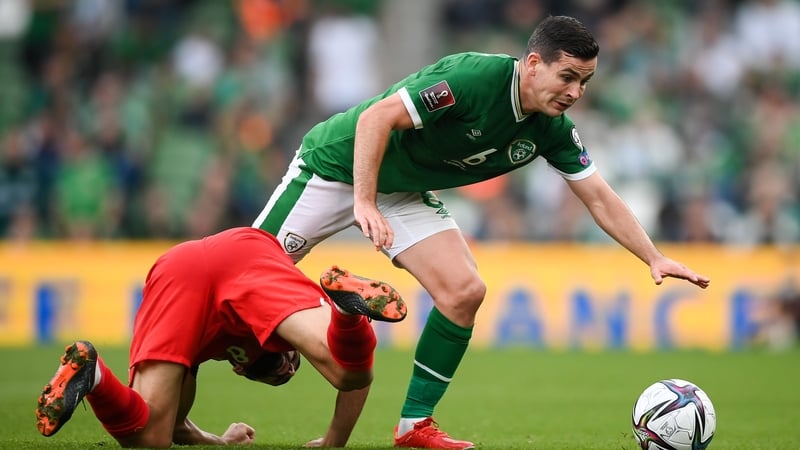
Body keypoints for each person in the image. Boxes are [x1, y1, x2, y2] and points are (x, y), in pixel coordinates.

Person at [252, 15, 711, 449]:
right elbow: (376, 119)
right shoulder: (472, 78)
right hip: (335, 169)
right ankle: (183, 414)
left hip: (403, 189)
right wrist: (364, 201)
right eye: (567, 77)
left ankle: (414, 424)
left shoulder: (550, 129)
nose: (575, 92)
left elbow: (598, 196)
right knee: (242, 279)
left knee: (464, 290)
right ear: (533, 64)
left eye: (584, 82)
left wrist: (653, 256)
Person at [35, 226, 407, 448]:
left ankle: (94, 374)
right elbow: (355, 379)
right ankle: (344, 313)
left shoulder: (201, 341)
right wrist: (333, 441)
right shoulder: (276, 329)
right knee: (349, 371)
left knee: (150, 438)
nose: (292, 362)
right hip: (245, 256)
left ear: (239, 367)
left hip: (182, 265)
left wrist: (220, 441)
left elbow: (175, 427)